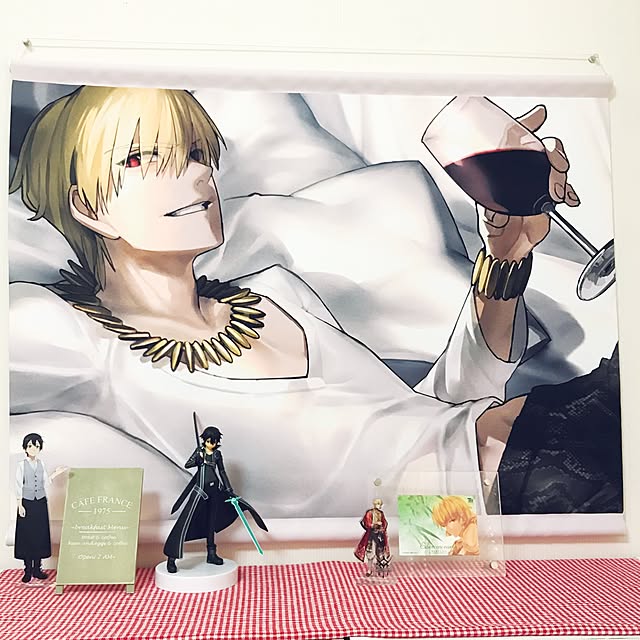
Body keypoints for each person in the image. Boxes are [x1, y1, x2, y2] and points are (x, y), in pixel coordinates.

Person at [8, 85, 618, 522]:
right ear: (86, 205)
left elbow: (440, 406)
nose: (197, 178)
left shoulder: (277, 293)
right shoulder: (73, 336)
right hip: (464, 512)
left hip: (507, 457)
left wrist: (503, 259)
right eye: (144, 160)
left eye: (196, 155)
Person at [163, 425, 266, 573]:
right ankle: (171, 557)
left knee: (211, 523)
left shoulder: (217, 454)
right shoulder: (199, 452)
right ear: (204, 440)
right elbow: (188, 464)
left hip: (215, 491)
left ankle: (211, 554)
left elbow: (222, 472)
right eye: (209, 441)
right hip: (200, 492)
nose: (211, 444)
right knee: (184, 521)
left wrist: (229, 488)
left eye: (214, 441)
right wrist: (198, 458)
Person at [14, 433, 65, 583]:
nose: (33, 449)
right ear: (25, 448)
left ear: (40, 448)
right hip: (27, 503)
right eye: (30, 446)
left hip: (40, 503)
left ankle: (37, 568)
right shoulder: (21, 465)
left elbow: (44, 482)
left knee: (39, 535)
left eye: (36, 446)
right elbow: (18, 485)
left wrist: (55, 474)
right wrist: (20, 504)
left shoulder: (41, 464)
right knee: (27, 536)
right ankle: (27, 570)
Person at [354, 498, 391, 577]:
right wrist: (375, 524)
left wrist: (382, 527)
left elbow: (384, 523)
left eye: (380, 504)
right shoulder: (370, 513)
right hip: (371, 535)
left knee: (380, 552)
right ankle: (369, 570)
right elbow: (367, 523)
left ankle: (379, 568)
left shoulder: (381, 513)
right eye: (378, 504)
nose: (380, 506)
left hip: (380, 535)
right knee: (370, 554)